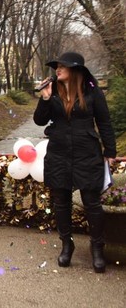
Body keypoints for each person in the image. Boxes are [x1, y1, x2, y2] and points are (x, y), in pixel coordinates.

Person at [34, 51, 116, 273]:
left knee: (92, 202)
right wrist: (45, 98)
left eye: (62, 66)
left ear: (75, 70)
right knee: (61, 201)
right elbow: (39, 120)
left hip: (86, 153)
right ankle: (66, 245)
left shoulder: (92, 92)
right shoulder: (53, 92)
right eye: (57, 66)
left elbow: (104, 122)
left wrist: (110, 151)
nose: (57, 69)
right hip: (59, 153)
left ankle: (97, 248)